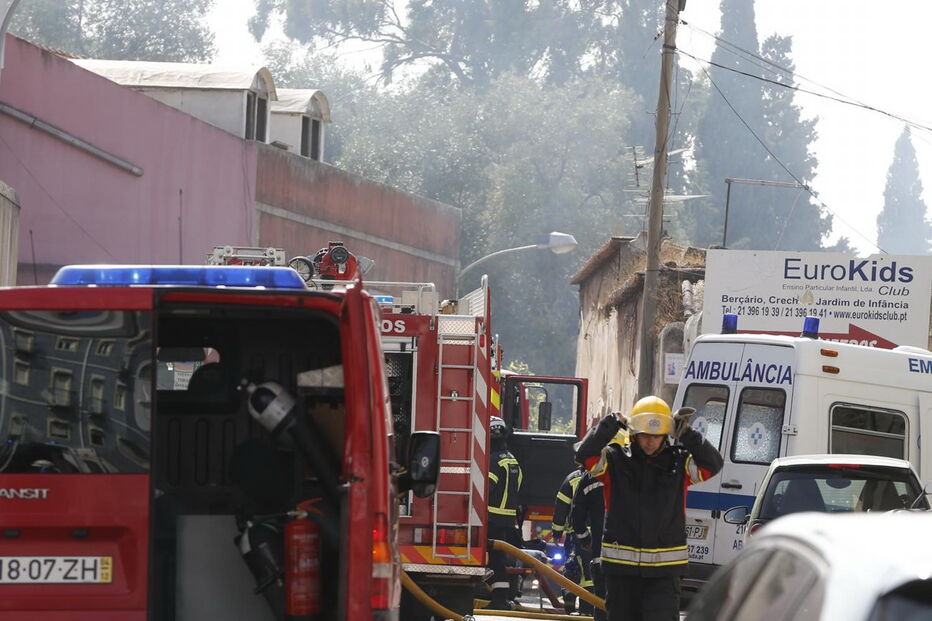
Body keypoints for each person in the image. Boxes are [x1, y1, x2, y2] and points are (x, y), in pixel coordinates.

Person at [575, 396, 723, 621]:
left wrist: (686, 433)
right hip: (621, 573)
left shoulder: (679, 464)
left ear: (665, 435)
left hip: (664, 576)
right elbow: (584, 455)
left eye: (656, 436)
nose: (650, 442)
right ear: (634, 433)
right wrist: (611, 423)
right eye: (645, 435)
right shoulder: (614, 461)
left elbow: (713, 464)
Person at [487, 416, 524, 610]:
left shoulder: (493, 460)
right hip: (508, 520)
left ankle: (499, 600)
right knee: (499, 559)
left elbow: (487, 488)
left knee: (495, 560)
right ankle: (501, 597)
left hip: (491, 518)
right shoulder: (512, 459)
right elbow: (518, 486)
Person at [550, 463, 589, 614]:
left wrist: (557, 532)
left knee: (573, 568)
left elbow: (561, 508)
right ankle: (588, 609)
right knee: (591, 573)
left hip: (577, 534)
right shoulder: (605, 477)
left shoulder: (572, 478)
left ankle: (570, 604)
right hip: (601, 534)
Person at [570, 468, 606, 621]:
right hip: (634, 556)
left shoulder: (590, 476)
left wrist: (584, 538)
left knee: (602, 600)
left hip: (602, 551)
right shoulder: (634, 468)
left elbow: (577, 513)